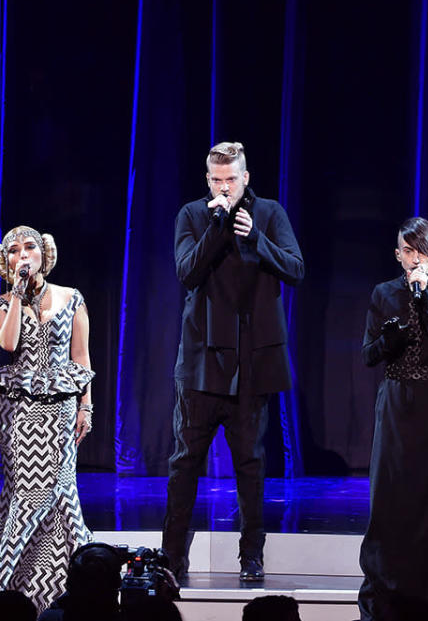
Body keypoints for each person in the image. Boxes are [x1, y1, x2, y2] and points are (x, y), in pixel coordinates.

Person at [162, 142, 304, 582]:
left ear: (245, 178)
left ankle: (252, 557)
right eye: (216, 181)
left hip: (250, 365)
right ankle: (172, 559)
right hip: (201, 365)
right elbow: (187, 271)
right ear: (208, 181)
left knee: (251, 464)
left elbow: (295, 269)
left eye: (231, 180)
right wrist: (218, 227)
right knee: (185, 463)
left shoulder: (269, 214)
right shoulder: (192, 215)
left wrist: (255, 239)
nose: (224, 189)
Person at [0, 226, 95, 619]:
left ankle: (74, 590)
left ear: (44, 253)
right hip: (21, 416)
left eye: (29, 248)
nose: (22, 255)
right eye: (14, 251)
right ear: (6, 261)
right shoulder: (0, 302)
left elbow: (81, 358)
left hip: (61, 411)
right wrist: (16, 293)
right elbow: (7, 344)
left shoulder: (71, 297)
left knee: (63, 496)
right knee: (25, 496)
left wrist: (86, 407)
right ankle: (1, 588)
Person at [358, 217, 428, 621]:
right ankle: (385, 590)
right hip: (396, 404)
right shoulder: (383, 292)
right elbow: (369, 354)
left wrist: (424, 301)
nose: (413, 258)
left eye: (420, 250)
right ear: (397, 253)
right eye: (406, 250)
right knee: (390, 497)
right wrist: (391, 337)